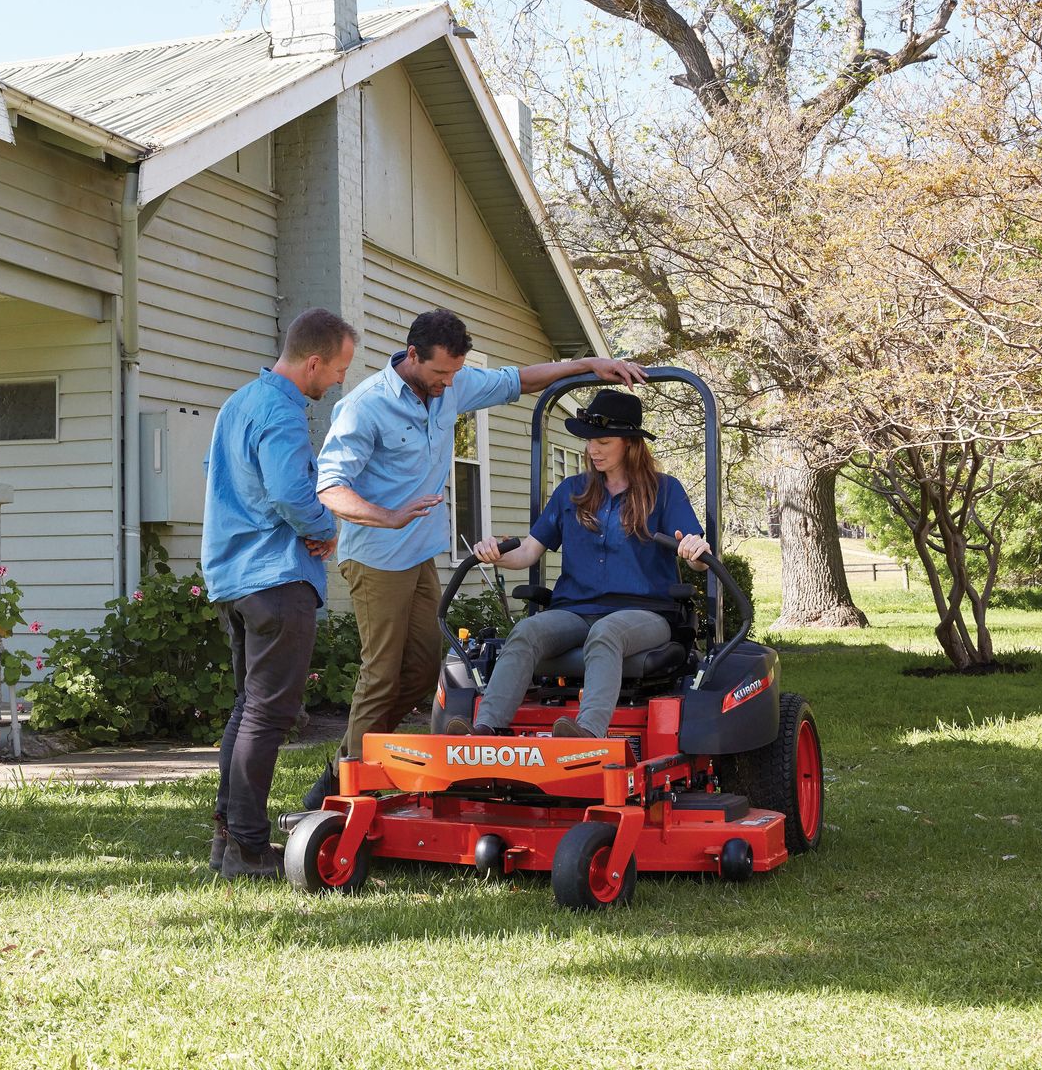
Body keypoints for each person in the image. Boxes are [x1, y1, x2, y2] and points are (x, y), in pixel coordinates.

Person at [301, 309, 646, 807]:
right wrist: (389, 515)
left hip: (420, 555)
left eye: (455, 373)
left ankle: (350, 759)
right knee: (381, 673)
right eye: (441, 372)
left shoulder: (452, 386)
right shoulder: (365, 407)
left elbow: (521, 379)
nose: (448, 383)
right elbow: (330, 487)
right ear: (413, 356)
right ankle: (348, 788)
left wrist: (591, 364)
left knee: (421, 672)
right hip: (376, 555)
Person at [202, 307, 359, 879]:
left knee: (250, 709)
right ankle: (247, 847)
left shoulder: (239, 402)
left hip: (234, 577)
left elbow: (216, 471)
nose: (341, 378)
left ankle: (228, 843)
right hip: (276, 577)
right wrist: (324, 530)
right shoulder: (283, 412)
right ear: (313, 361)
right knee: (269, 715)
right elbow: (292, 492)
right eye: (340, 367)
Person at [462, 387, 711, 738]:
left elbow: (700, 560)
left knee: (605, 633)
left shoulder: (664, 490)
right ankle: (484, 731)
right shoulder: (572, 491)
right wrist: (496, 554)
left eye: (603, 442)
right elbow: (529, 551)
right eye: (589, 441)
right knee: (526, 632)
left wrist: (697, 551)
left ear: (630, 443)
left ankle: (588, 735)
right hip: (575, 610)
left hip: (647, 613)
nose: (592, 449)